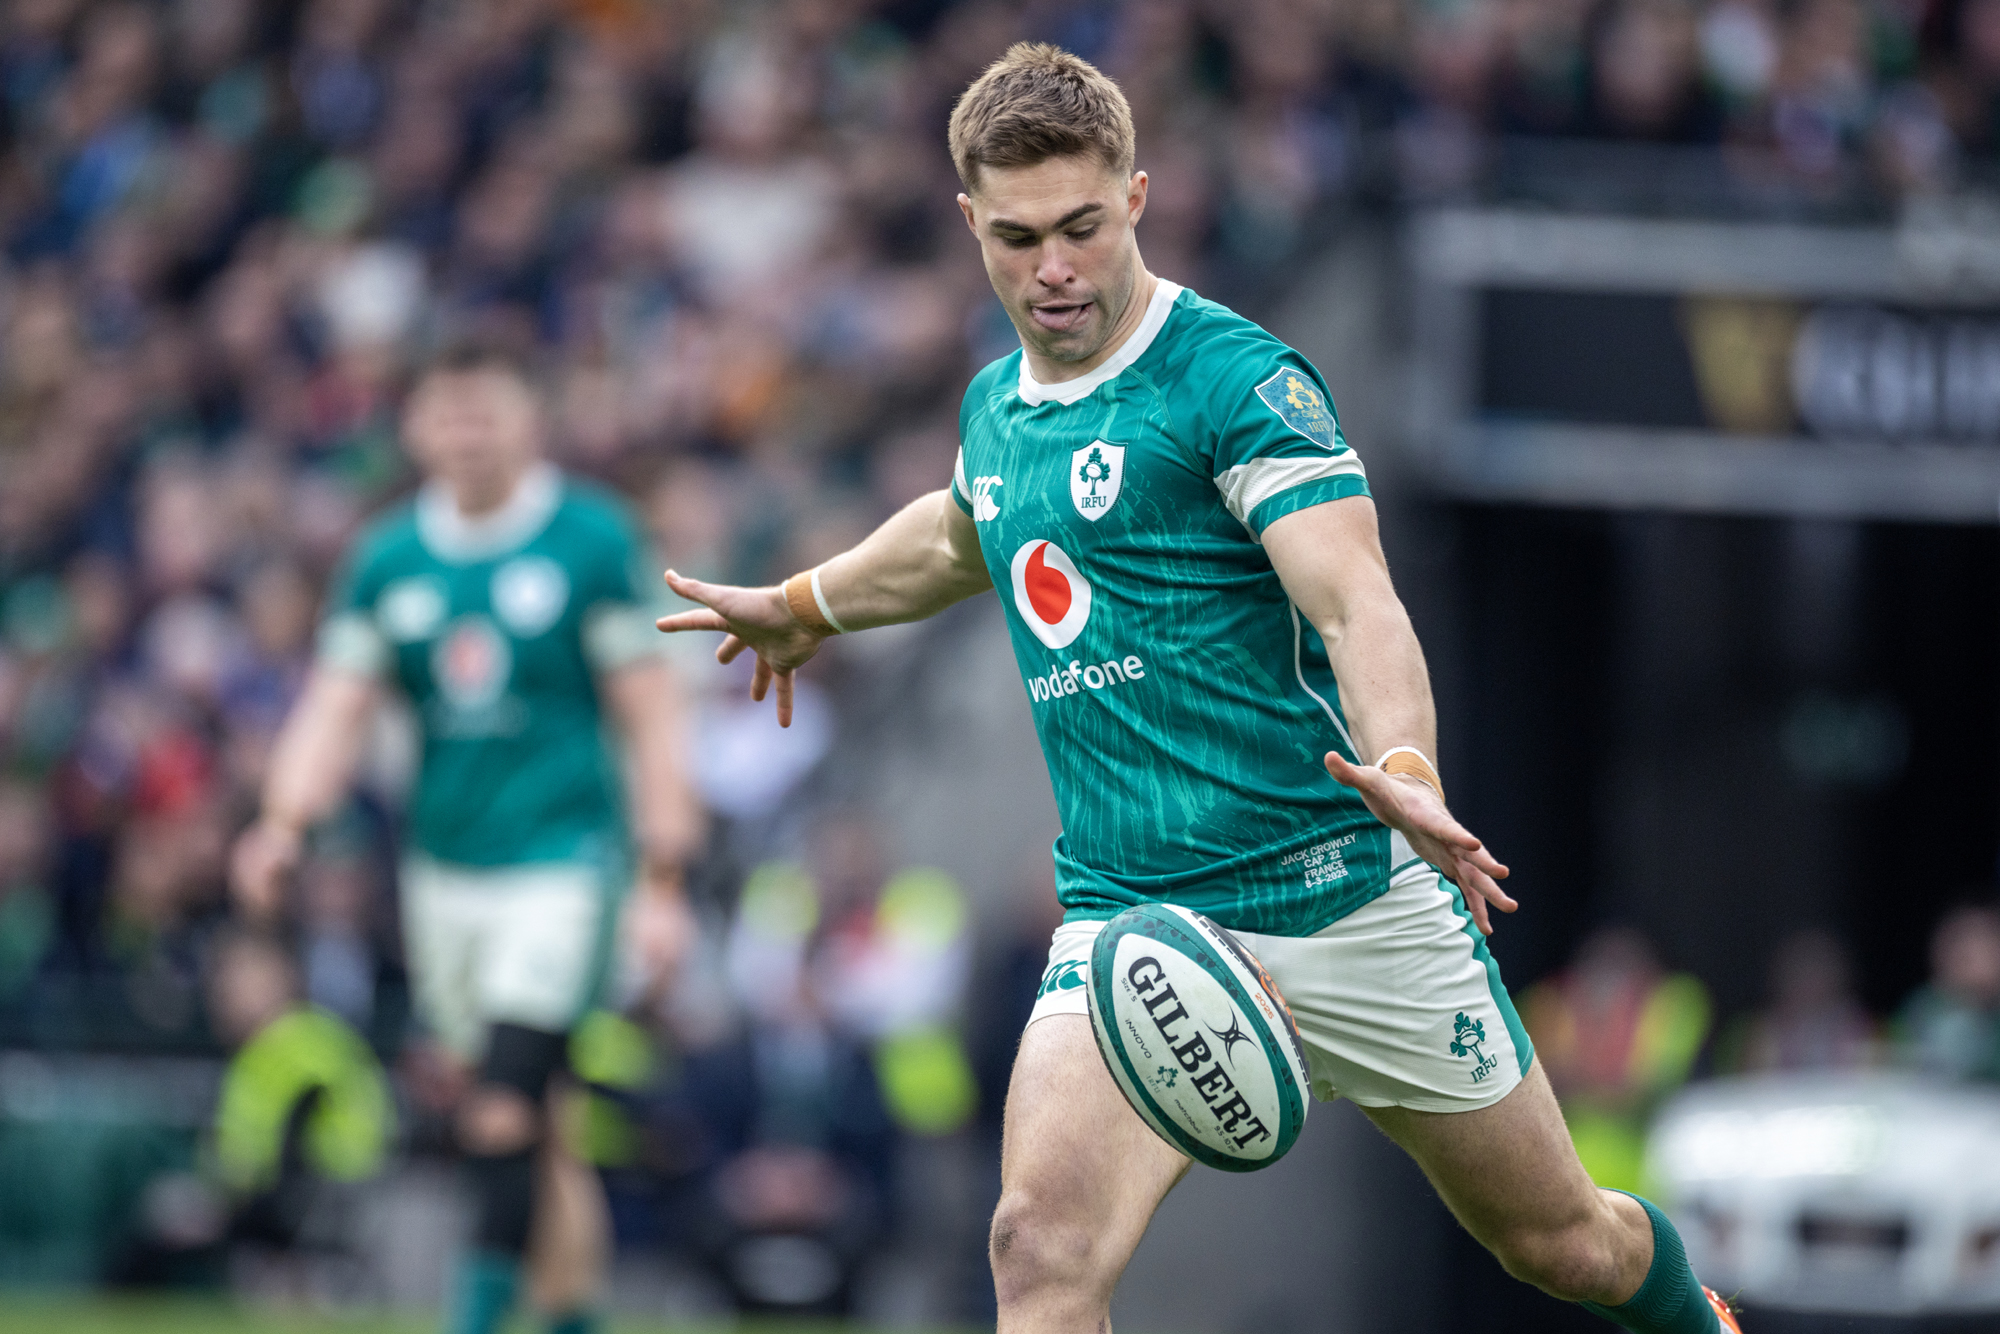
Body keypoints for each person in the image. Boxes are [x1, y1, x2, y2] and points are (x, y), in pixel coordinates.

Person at [659, 43, 1742, 1334]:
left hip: (1342, 896)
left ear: (1136, 196)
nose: (1051, 268)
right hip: (1135, 922)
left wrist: (1406, 772)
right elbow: (966, 528)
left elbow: (1357, 601)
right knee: (1039, 1248)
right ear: (969, 223)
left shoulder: (1237, 381)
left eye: (1080, 226)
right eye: (1016, 239)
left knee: (1562, 1243)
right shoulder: (1000, 402)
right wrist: (804, 603)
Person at [232, 342, 701, 1334]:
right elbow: (334, 704)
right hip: (444, 869)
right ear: (415, 426)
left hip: (564, 862)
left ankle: (475, 1316)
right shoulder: (388, 557)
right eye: (446, 412)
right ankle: (576, 1319)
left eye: (483, 410)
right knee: (543, 1133)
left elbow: (649, 714)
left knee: (501, 1103)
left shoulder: (586, 538)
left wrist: (664, 875)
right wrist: (280, 822)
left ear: (527, 416)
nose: (465, 431)